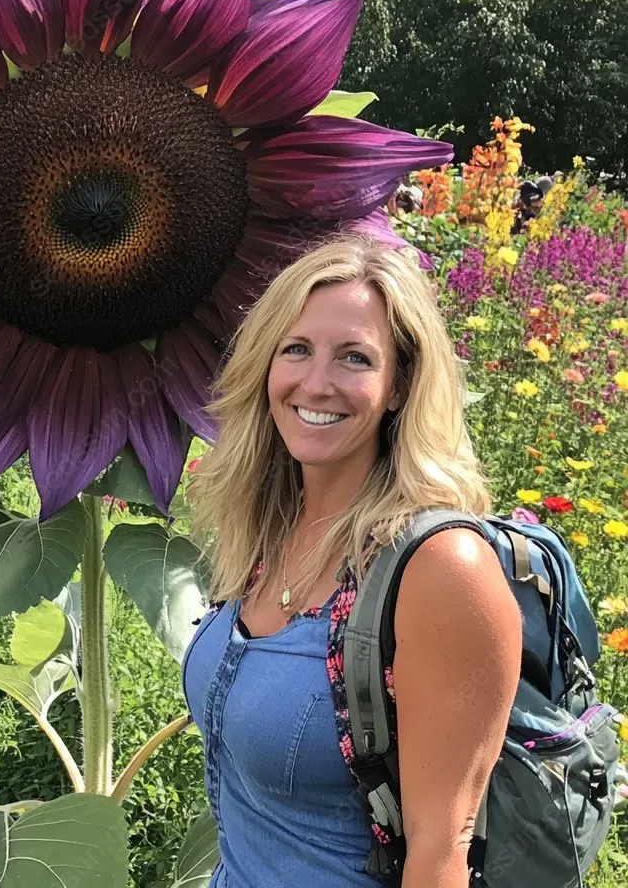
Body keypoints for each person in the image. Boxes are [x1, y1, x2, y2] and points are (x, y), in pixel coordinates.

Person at [184, 236, 521, 888]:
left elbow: (441, 851)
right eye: (297, 350)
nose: (317, 383)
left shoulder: (439, 569)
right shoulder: (268, 534)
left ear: (399, 387)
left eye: (355, 359)